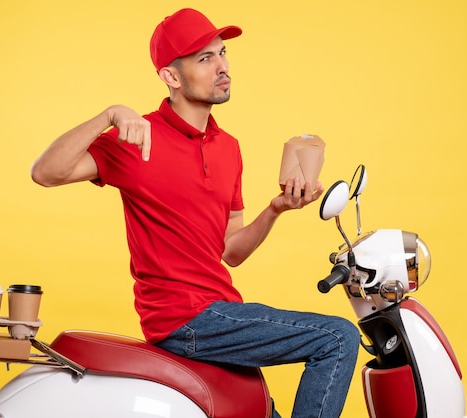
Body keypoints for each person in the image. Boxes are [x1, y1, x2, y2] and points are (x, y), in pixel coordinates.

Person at [31, 8, 359, 418]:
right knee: (338, 337)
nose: (223, 67)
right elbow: (46, 173)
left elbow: (231, 251)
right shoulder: (136, 138)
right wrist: (109, 115)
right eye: (205, 59)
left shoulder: (229, 147)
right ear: (171, 76)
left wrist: (276, 209)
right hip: (184, 318)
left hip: (221, 313)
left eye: (222, 54)